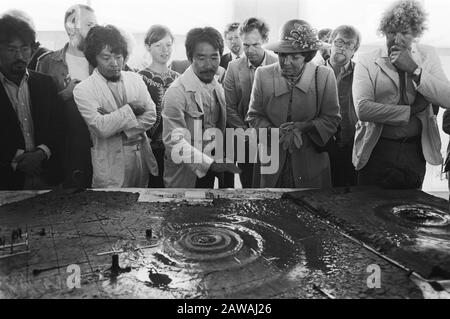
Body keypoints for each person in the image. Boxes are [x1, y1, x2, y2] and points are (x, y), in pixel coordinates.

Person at [353, 0, 450, 189]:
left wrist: (414, 69)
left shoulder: (428, 55)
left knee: (410, 211)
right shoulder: (366, 59)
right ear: (383, 32)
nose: (397, 40)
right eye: (391, 32)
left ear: (416, 34)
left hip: (415, 150)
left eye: (405, 32)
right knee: (367, 207)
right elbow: (363, 109)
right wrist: (412, 110)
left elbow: (447, 98)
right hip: (377, 147)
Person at [246, 19, 341, 188]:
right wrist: (273, 131)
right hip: (272, 157)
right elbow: (253, 116)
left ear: (307, 56)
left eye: (294, 57)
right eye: (282, 55)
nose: (286, 62)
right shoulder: (263, 74)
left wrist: (305, 126)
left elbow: (332, 119)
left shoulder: (325, 76)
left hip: (310, 159)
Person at [73, 25, 157, 188]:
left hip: (141, 160)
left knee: (141, 207)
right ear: (94, 58)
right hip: (110, 167)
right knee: (109, 211)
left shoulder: (136, 79)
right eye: (106, 58)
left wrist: (115, 121)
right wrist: (131, 109)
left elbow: (151, 115)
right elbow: (101, 128)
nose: (114, 63)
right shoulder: (83, 89)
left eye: (119, 57)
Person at [162, 27, 240, 188]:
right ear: (190, 58)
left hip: (211, 168)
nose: (209, 65)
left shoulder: (217, 86)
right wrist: (210, 164)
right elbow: (173, 142)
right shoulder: (176, 92)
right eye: (202, 58)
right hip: (186, 173)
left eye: (214, 57)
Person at [37, 4, 97, 188]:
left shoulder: (102, 60)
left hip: (98, 148)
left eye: (95, 24)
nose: (94, 30)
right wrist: (66, 94)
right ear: (70, 26)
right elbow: (37, 112)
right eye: (88, 24)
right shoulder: (47, 62)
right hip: (61, 151)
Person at [0, 15, 64, 190]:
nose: (19, 56)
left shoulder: (46, 83)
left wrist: (42, 152)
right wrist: (17, 159)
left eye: (24, 48)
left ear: (32, 50)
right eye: (11, 50)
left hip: (47, 176)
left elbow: (59, 126)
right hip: (6, 181)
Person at [224, 17, 277, 188]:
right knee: (248, 186)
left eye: (256, 44)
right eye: (246, 45)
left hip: (273, 138)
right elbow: (229, 107)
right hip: (244, 138)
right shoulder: (233, 67)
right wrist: (247, 133)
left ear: (266, 41)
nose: (250, 50)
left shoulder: (278, 63)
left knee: (272, 186)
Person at [139, 25, 180, 188]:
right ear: (148, 47)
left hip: (176, 148)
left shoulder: (180, 79)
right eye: (158, 45)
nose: (165, 50)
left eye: (168, 45)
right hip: (148, 148)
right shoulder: (139, 78)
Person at [325, 25, 361, 187]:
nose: (342, 48)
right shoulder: (315, 71)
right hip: (320, 144)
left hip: (352, 143)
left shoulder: (361, 73)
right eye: (339, 42)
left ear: (354, 50)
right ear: (330, 43)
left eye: (349, 45)